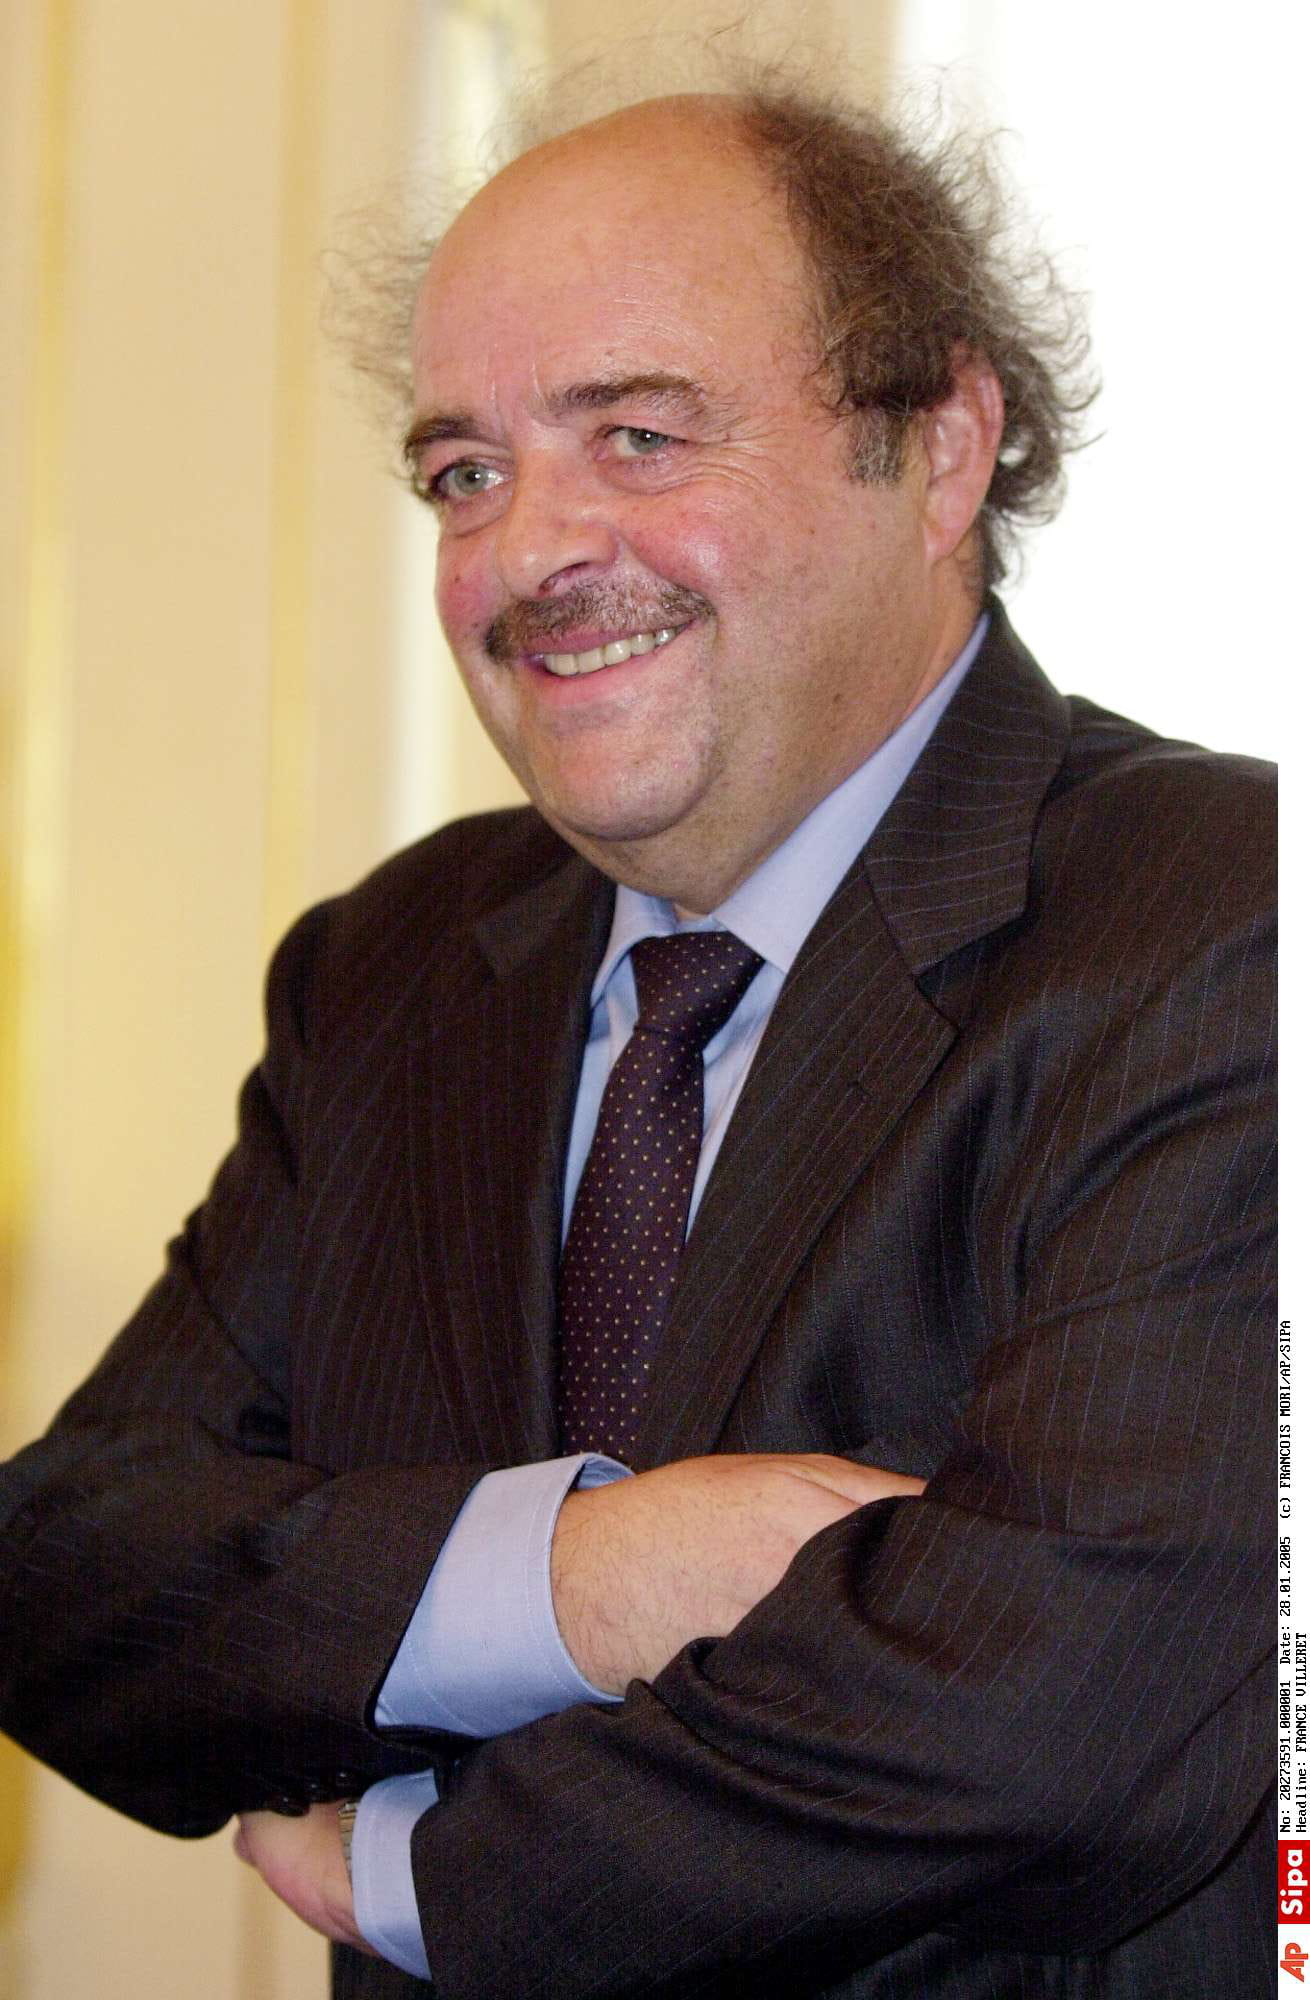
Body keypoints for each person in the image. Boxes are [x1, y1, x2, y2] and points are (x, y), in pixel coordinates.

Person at [0, 72, 1274, 2000]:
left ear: (939, 451)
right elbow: (69, 1573)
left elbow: (1047, 1727)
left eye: (639, 435)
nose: (527, 551)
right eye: (463, 473)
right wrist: (577, 1578)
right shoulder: (390, 969)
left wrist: (417, 1877)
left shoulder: (1225, 923)